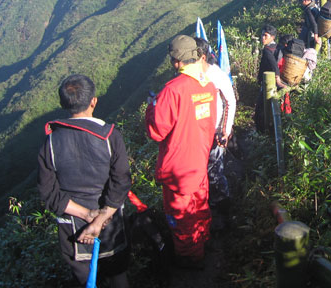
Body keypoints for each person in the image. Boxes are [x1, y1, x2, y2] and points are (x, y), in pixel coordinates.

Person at [37, 74, 131, 288]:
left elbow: (48, 192)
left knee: (86, 280)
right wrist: (100, 219)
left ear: (63, 104)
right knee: (118, 275)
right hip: (112, 222)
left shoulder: (50, 143)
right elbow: (121, 182)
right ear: (93, 101)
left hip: (73, 229)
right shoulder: (110, 136)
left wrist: (86, 215)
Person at [145, 35, 218, 269]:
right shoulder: (209, 86)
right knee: (200, 207)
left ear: (176, 61)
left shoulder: (172, 90)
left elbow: (156, 131)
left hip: (178, 168)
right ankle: (204, 243)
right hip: (199, 162)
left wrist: (151, 106)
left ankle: (191, 260)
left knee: (182, 218)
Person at [195, 37, 236, 231]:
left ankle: (225, 211)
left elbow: (230, 101)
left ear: (202, 56)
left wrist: (225, 131)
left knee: (215, 172)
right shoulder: (193, 74)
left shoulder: (215, 74)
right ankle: (207, 210)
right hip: (197, 134)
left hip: (215, 133)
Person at [254, 24, 286, 134]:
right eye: (262, 35)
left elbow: (273, 65)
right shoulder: (277, 47)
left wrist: (277, 79)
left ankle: (261, 132)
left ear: (272, 37)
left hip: (269, 82)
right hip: (274, 82)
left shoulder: (267, 50)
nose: (263, 37)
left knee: (260, 109)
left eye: (265, 35)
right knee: (270, 107)